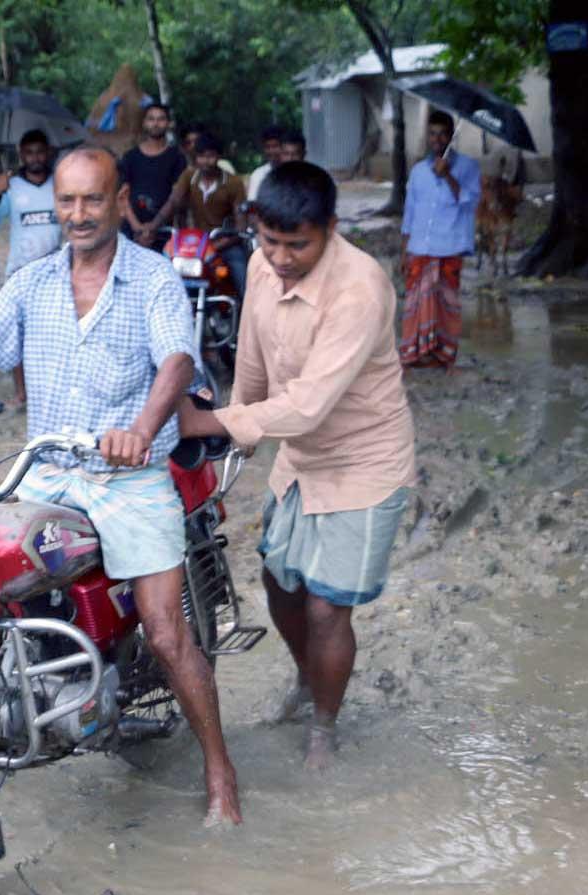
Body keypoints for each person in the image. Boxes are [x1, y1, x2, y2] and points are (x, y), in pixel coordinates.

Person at [0, 145, 244, 826]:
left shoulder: (151, 280)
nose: (79, 214)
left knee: (165, 631)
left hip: (130, 479)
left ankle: (220, 778)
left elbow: (177, 362)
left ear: (119, 199)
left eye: (93, 199)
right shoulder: (33, 283)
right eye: (67, 201)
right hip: (48, 474)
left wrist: (142, 428)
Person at [175, 162, 416, 771]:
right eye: (270, 241)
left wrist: (209, 422)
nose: (280, 258)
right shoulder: (259, 265)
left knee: (327, 605)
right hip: (299, 457)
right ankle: (311, 681)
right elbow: (252, 357)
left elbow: (308, 405)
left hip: (364, 461)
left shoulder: (359, 289)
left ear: (331, 228)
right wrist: (237, 425)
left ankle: (324, 729)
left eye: (297, 245)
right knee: (279, 583)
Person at [0, 128, 61, 406]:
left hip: (58, 271)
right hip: (20, 272)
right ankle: (22, 393)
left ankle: (51, 390)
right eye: (29, 152)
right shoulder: (11, 186)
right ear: (21, 155)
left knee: (56, 333)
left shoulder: (61, 184)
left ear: (48, 153)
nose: (35, 157)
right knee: (18, 335)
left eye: (40, 151)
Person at [398, 110, 481, 374]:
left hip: (449, 247)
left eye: (443, 134)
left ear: (450, 137)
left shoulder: (468, 167)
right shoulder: (418, 171)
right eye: (432, 134)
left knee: (447, 305)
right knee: (415, 303)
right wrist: (404, 250)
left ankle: (444, 357)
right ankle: (415, 355)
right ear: (428, 136)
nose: (437, 139)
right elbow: (410, 213)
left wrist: (448, 176)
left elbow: (470, 201)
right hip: (419, 248)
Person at [162, 133, 250, 295]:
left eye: (211, 156)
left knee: (242, 278)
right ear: (195, 158)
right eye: (201, 156)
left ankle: (245, 314)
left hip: (225, 243)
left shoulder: (233, 183)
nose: (206, 161)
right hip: (196, 244)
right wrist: (153, 227)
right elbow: (173, 202)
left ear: (219, 156)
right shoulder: (189, 176)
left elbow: (241, 228)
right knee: (165, 274)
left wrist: (216, 244)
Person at [120, 102, 187, 250]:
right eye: (151, 119)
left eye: (161, 119)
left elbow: (176, 197)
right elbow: (122, 195)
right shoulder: (130, 157)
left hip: (163, 232)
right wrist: (137, 228)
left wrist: (154, 227)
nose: (156, 123)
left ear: (168, 124)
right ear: (144, 123)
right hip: (130, 231)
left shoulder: (177, 158)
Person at [247, 125, 286, 204]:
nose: (271, 151)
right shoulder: (258, 175)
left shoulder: (295, 171)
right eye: (267, 147)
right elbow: (252, 204)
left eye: (275, 146)